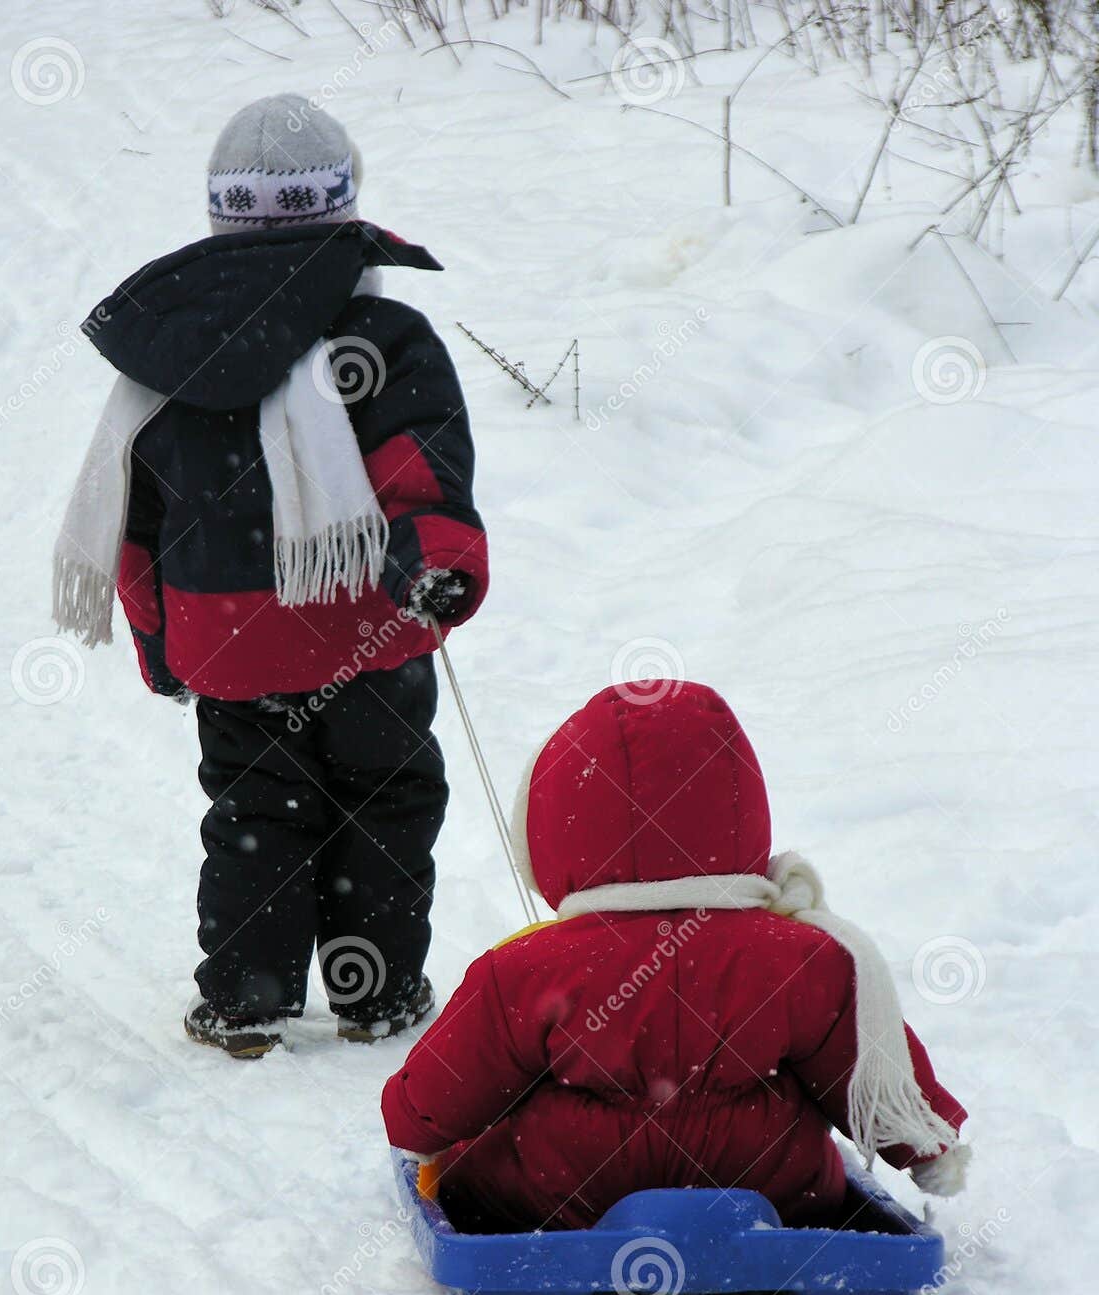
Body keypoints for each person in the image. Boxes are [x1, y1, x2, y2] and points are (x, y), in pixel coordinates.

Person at [53, 95, 487, 1057]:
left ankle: (247, 999)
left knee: (256, 810)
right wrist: (439, 565)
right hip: (367, 630)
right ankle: (376, 993)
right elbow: (418, 466)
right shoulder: (379, 339)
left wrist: (162, 644)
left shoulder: (168, 351)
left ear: (220, 215)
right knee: (385, 799)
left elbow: (141, 521)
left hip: (230, 644)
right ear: (340, 207)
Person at [382, 682, 969, 1231]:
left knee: (483, 1161)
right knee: (806, 1165)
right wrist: (926, 1148)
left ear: (558, 825)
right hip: (768, 1187)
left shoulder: (530, 968)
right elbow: (869, 1068)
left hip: (565, 1193)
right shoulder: (803, 956)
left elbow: (438, 1097)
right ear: (739, 807)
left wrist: (413, 1120)